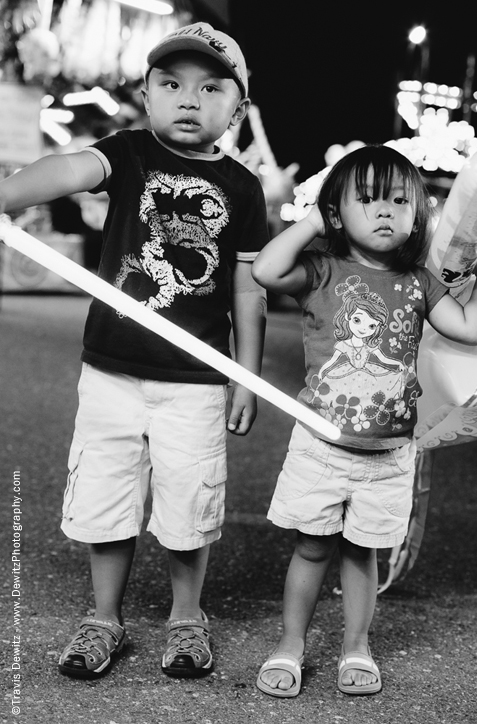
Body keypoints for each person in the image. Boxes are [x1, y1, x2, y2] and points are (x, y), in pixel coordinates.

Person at [0, 23, 268, 679]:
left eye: (210, 88)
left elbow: (246, 285)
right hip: (112, 372)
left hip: (197, 379)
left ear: (237, 106)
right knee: (106, 492)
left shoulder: (242, 186)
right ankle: (102, 618)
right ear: (145, 93)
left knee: (188, 502)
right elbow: (69, 168)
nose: (188, 99)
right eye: (171, 84)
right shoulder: (127, 153)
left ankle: (186, 618)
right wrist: (8, 191)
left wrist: (248, 375)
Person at [251, 145, 477, 698]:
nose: (384, 210)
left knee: (363, 552)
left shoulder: (418, 282)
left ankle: (355, 647)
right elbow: (267, 269)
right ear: (338, 213)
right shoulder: (322, 270)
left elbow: (471, 329)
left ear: (418, 215)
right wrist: (315, 216)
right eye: (365, 199)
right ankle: (290, 646)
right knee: (312, 547)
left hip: (388, 455)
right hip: (321, 444)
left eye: (397, 199)